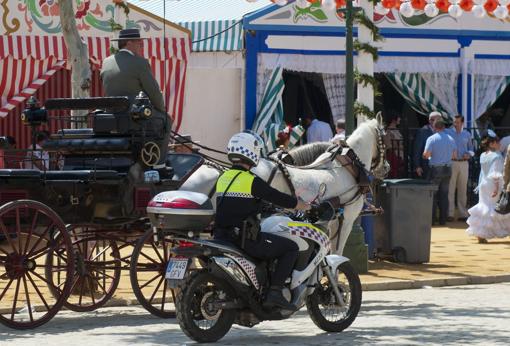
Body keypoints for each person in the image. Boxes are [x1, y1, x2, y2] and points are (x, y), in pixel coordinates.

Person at [214, 132, 310, 310]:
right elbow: (276, 196)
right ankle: (274, 291)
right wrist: (300, 204)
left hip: (221, 236)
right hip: (244, 240)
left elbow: (238, 204)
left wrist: (261, 206)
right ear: (251, 152)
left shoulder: (223, 178)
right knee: (290, 248)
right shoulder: (251, 181)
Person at [100, 28, 171, 175]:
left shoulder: (106, 62)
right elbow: (154, 92)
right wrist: (162, 110)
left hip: (111, 119)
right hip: (134, 119)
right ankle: (159, 165)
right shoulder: (139, 63)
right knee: (166, 120)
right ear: (129, 43)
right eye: (139, 42)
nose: (141, 45)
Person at [466, 131, 510, 243]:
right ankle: (490, 232)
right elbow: (495, 173)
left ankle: (481, 234)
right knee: (496, 208)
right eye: (497, 142)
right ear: (491, 144)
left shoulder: (482, 155)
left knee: (484, 208)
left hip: (483, 184)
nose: (499, 144)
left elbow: (483, 172)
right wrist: (496, 188)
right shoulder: (497, 156)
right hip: (492, 184)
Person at [423, 119, 457, 225]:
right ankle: (443, 219)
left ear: (434, 127)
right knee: (444, 194)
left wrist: (428, 156)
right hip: (448, 168)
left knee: (432, 194)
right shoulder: (451, 139)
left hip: (436, 169)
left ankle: (432, 220)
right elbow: (454, 155)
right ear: (444, 128)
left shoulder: (431, 139)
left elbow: (426, 154)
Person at [446, 115, 473, 222]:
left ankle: (463, 213)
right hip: (452, 162)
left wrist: (469, 155)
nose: (455, 124)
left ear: (462, 123)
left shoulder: (467, 134)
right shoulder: (448, 132)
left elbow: (471, 149)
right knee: (450, 188)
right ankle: (450, 213)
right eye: (454, 122)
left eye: (457, 122)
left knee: (463, 189)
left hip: (464, 163)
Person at [413, 111, 442, 179]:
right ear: (430, 121)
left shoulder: (443, 131)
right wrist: (417, 166)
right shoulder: (422, 131)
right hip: (427, 166)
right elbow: (417, 150)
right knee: (429, 187)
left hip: (441, 166)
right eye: (437, 120)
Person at [383, 111, 404, 178]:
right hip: (395, 157)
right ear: (393, 119)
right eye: (398, 118)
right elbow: (389, 146)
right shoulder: (388, 131)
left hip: (401, 156)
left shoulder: (396, 130)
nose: (400, 119)